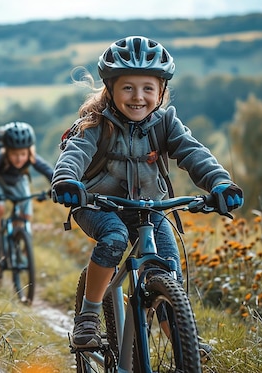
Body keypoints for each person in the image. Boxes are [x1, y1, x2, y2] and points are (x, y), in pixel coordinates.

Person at [51, 36, 244, 349]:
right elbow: (75, 154)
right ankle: (88, 317)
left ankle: (184, 345)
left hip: (149, 208)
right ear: (110, 89)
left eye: (148, 88)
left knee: (166, 266)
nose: (138, 97)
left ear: (161, 91)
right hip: (97, 205)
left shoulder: (165, 123)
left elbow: (194, 153)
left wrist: (219, 183)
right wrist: (67, 181)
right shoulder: (95, 124)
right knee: (113, 238)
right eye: (128, 87)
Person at [0, 122, 54, 263]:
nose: (19, 158)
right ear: (6, 151)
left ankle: (20, 247)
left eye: (23, 154)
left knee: (26, 215)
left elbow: (47, 170)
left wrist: (58, 185)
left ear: (29, 151)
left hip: (17, 180)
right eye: (14, 154)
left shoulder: (31, 156)